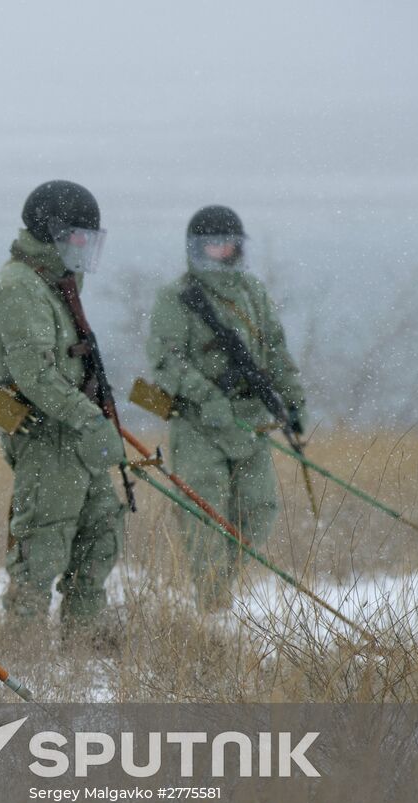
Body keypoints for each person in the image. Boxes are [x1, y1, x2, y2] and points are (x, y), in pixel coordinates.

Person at [0, 180, 127, 646]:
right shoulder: (20, 286)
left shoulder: (55, 282)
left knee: (99, 539)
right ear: (52, 231)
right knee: (40, 552)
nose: (84, 248)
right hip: (49, 439)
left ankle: (82, 653)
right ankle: (22, 655)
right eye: (78, 236)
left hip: (77, 439)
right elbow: (35, 376)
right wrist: (91, 421)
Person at [146, 205, 307, 612]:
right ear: (197, 248)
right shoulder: (176, 297)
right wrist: (207, 397)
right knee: (205, 513)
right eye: (213, 244)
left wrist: (292, 401)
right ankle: (213, 602)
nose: (223, 251)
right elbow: (166, 360)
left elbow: (275, 350)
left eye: (230, 243)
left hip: (250, 421)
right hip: (200, 424)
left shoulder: (252, 292)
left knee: (259, 509)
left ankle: (221, 584)